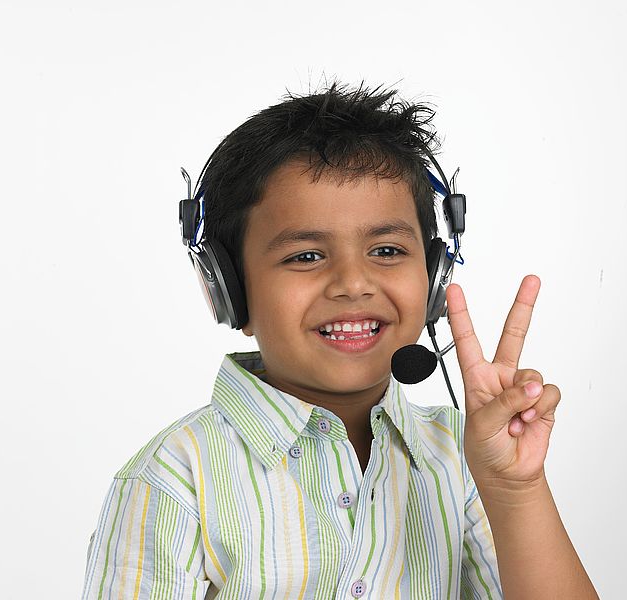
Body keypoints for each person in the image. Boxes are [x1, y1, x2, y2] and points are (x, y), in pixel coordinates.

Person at [81, 82, 598, 599]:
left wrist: (514, 491)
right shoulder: (174, 480)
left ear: (434, 275)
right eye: (305, 256)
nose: (353, 283)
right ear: (230, 291)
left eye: (388, 250)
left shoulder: (465, 458)